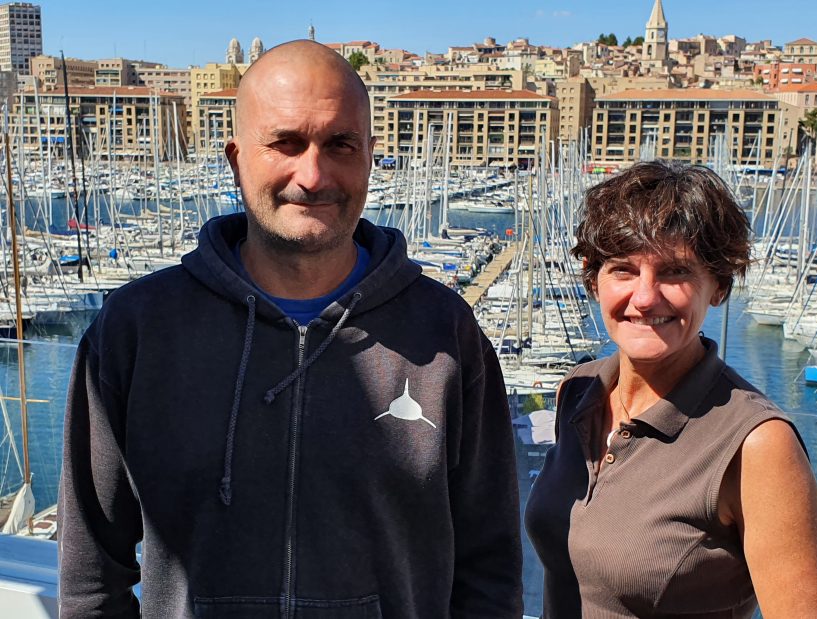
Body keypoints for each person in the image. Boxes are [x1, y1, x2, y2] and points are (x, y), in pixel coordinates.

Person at [58, 40, 523, 618]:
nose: (313, 174)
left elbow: (489, 571)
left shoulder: (446, 334)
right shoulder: (136, 331)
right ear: (235, 159)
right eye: (285, 142)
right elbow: (90, 577)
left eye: (340, 144)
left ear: (371, 156)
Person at [525, 160, 817, 618]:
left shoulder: (756, 445)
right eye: (623, 270)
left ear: (719, 284)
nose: (645, 297)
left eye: (674, 272)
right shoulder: (578, 390)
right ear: (594, 279)